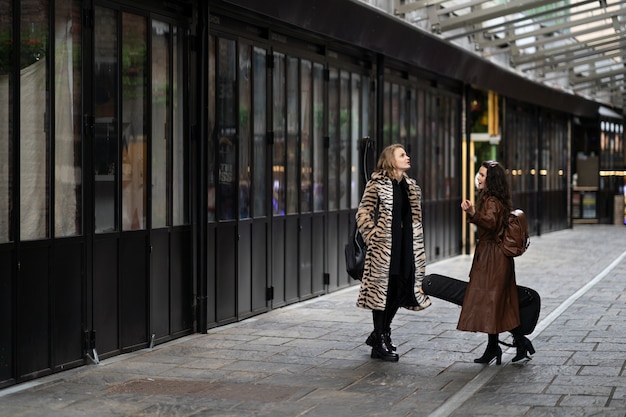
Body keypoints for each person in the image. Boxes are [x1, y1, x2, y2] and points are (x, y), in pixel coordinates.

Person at [356, 144, 431, 362]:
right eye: (402, 155)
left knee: (400, 289)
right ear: (390, 159)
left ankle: (381, 333)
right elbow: (363, 212)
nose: (408, 157)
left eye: (407, 153)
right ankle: (380, 338)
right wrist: (373, 236)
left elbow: (414, 219)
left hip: (407, 247)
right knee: (383, 293)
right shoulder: (377, 183)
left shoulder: (411, 187)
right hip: (385, 249)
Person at [458, 160, 520, 364]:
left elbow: (491, 223)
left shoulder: (492, 201)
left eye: (482, 175)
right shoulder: (490, 197)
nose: (478, 177)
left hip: (493, 257)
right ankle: (495, 347)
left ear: (491, 179)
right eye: (479, 173)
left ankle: (516, 343)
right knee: (494, 303)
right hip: (492, 256)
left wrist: (472, 213)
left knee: (493, 302)